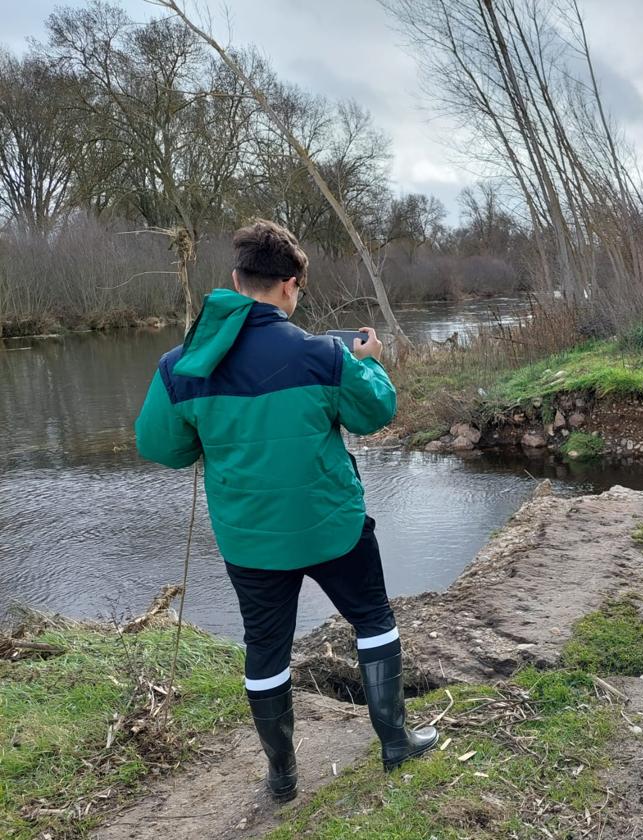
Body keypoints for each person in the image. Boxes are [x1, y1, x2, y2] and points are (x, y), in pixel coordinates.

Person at [134, 219, 436, 802]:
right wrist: (369, 361)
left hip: (250, 539)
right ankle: (396, 743)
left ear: (235, 280)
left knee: (265, 648)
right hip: (333, 526)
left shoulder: (182, 364)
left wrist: (210, 433)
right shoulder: (322, 353)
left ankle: (282, 775)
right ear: (291, 286)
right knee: (372, 620)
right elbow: (376, 413)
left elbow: (160, 447)